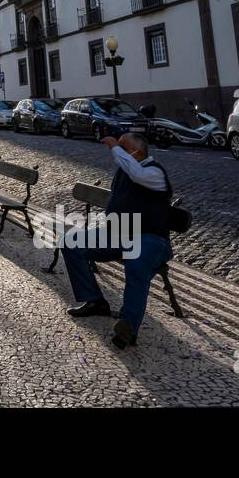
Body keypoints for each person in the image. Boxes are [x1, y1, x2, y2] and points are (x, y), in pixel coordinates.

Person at [61, 132, 173, 350]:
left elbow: (136, 173)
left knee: (136, 262)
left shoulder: (153, 172)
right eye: (119, 148)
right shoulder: (125, 171)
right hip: (118, 234)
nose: (118, 152)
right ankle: (95, 300)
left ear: (137, 153)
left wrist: (115, 147)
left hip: (151, 238)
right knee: (70, 242)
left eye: (124, 148)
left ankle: (127, 327)